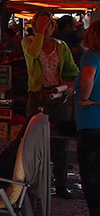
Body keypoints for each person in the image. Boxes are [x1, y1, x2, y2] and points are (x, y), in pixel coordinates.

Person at [22, 10, 79, 198]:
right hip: (38, 96)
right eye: (41, 25)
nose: (45, 29)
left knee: (60, 144)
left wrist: (71, 83)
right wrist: (39, 32)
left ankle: (61, 183)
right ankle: (33, 184)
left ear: (54, 27)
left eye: (48, 25)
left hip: (59, 97)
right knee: (34, 141)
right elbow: (34, 53)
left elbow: (71, 69)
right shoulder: (28, 42)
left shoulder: (61, 46)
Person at [76, 20, 100, 215]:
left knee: (91, 176)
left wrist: (85, 98)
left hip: (91, 123)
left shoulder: (91, 56)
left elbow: (87, 77)